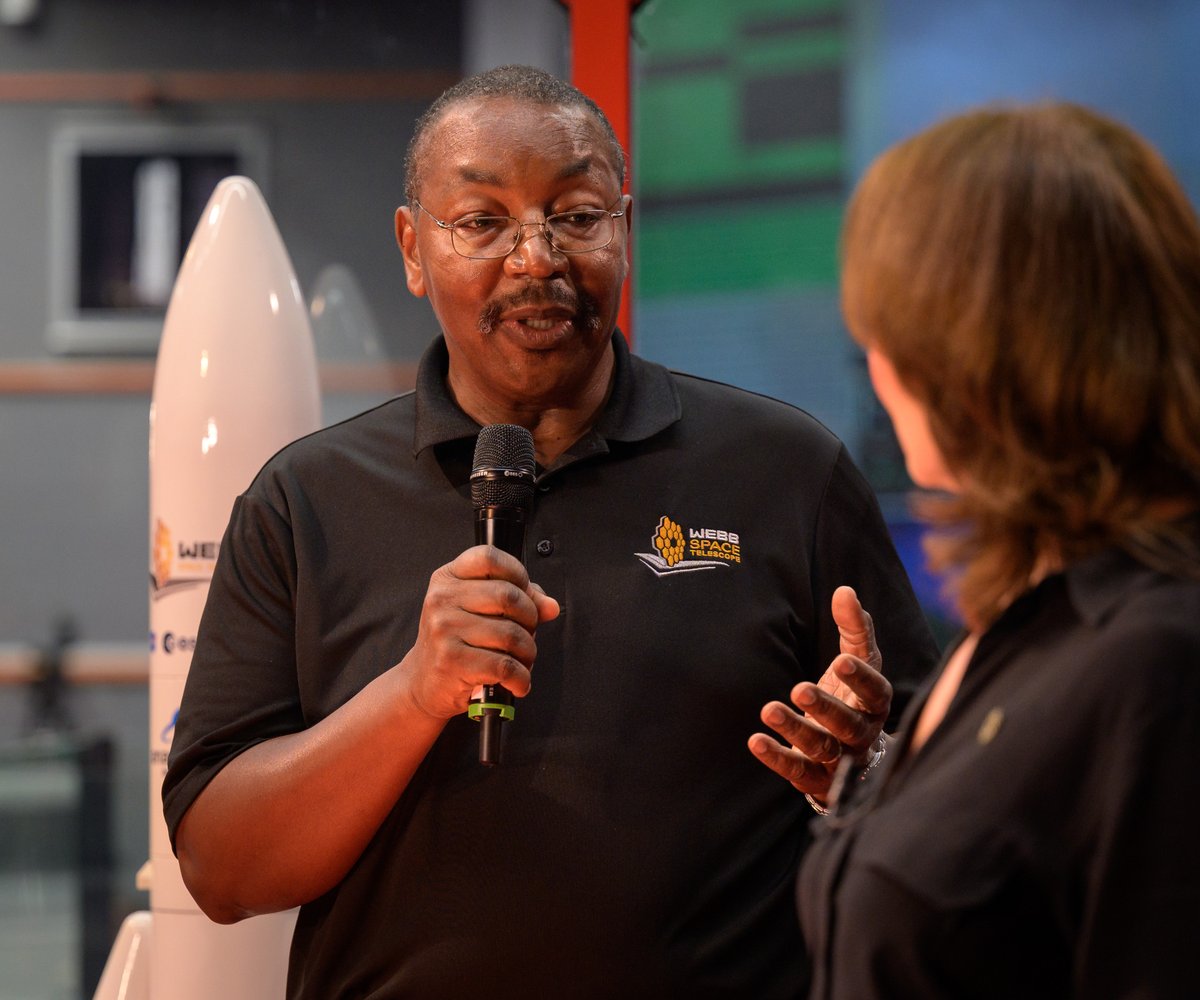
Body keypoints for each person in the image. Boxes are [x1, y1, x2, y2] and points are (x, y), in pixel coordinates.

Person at [163, 65, 937, 998]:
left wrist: (866, 770)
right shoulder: (304, 503)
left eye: (575, 215)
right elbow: (220, 871)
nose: (537, 259)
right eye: (481, 222)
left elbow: (945, 801)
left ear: (624, 230)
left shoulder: (786, 472)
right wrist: (412, 694)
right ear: (413, 248)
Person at [797, 101, 1200, 999]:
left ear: (969, 356)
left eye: (886, 331)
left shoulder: (1158, 660)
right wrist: (879, 783)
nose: (874, 364)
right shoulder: (1037, 611)